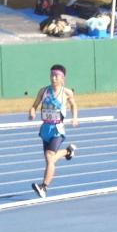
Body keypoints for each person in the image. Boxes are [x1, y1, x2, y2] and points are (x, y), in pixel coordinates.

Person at [28, 64, 78, 198]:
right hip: (45, 129)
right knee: (49, 159)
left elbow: (73, 105)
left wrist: (74, 118)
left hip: (58, 129)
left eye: (56, 76)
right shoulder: (43, 91)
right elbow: (34, 105)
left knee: (50, 157)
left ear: (63, 78)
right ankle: (68, 151)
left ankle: (43, 187)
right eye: (52, 75)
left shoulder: (66, 92)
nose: (53, 78)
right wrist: (32, 113)